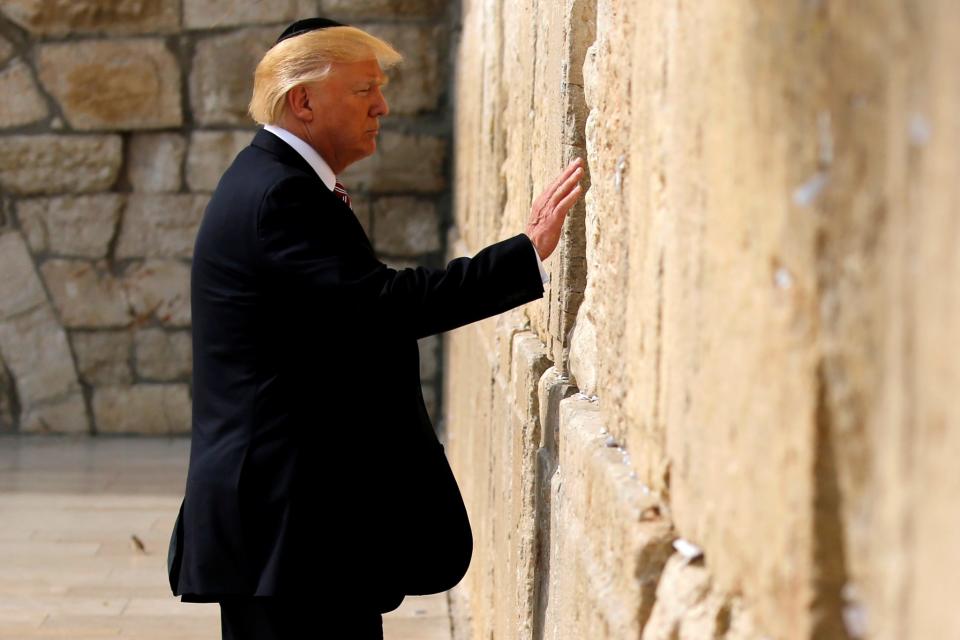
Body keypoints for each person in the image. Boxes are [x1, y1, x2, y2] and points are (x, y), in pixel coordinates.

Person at [166, 17, 584, 640]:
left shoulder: (277, 183)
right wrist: (522, 254)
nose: (382, 106)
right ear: (303, 100)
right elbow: (380, 306)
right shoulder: (277, 196)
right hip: (288, 529)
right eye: (364, 90)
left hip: (305, 529)